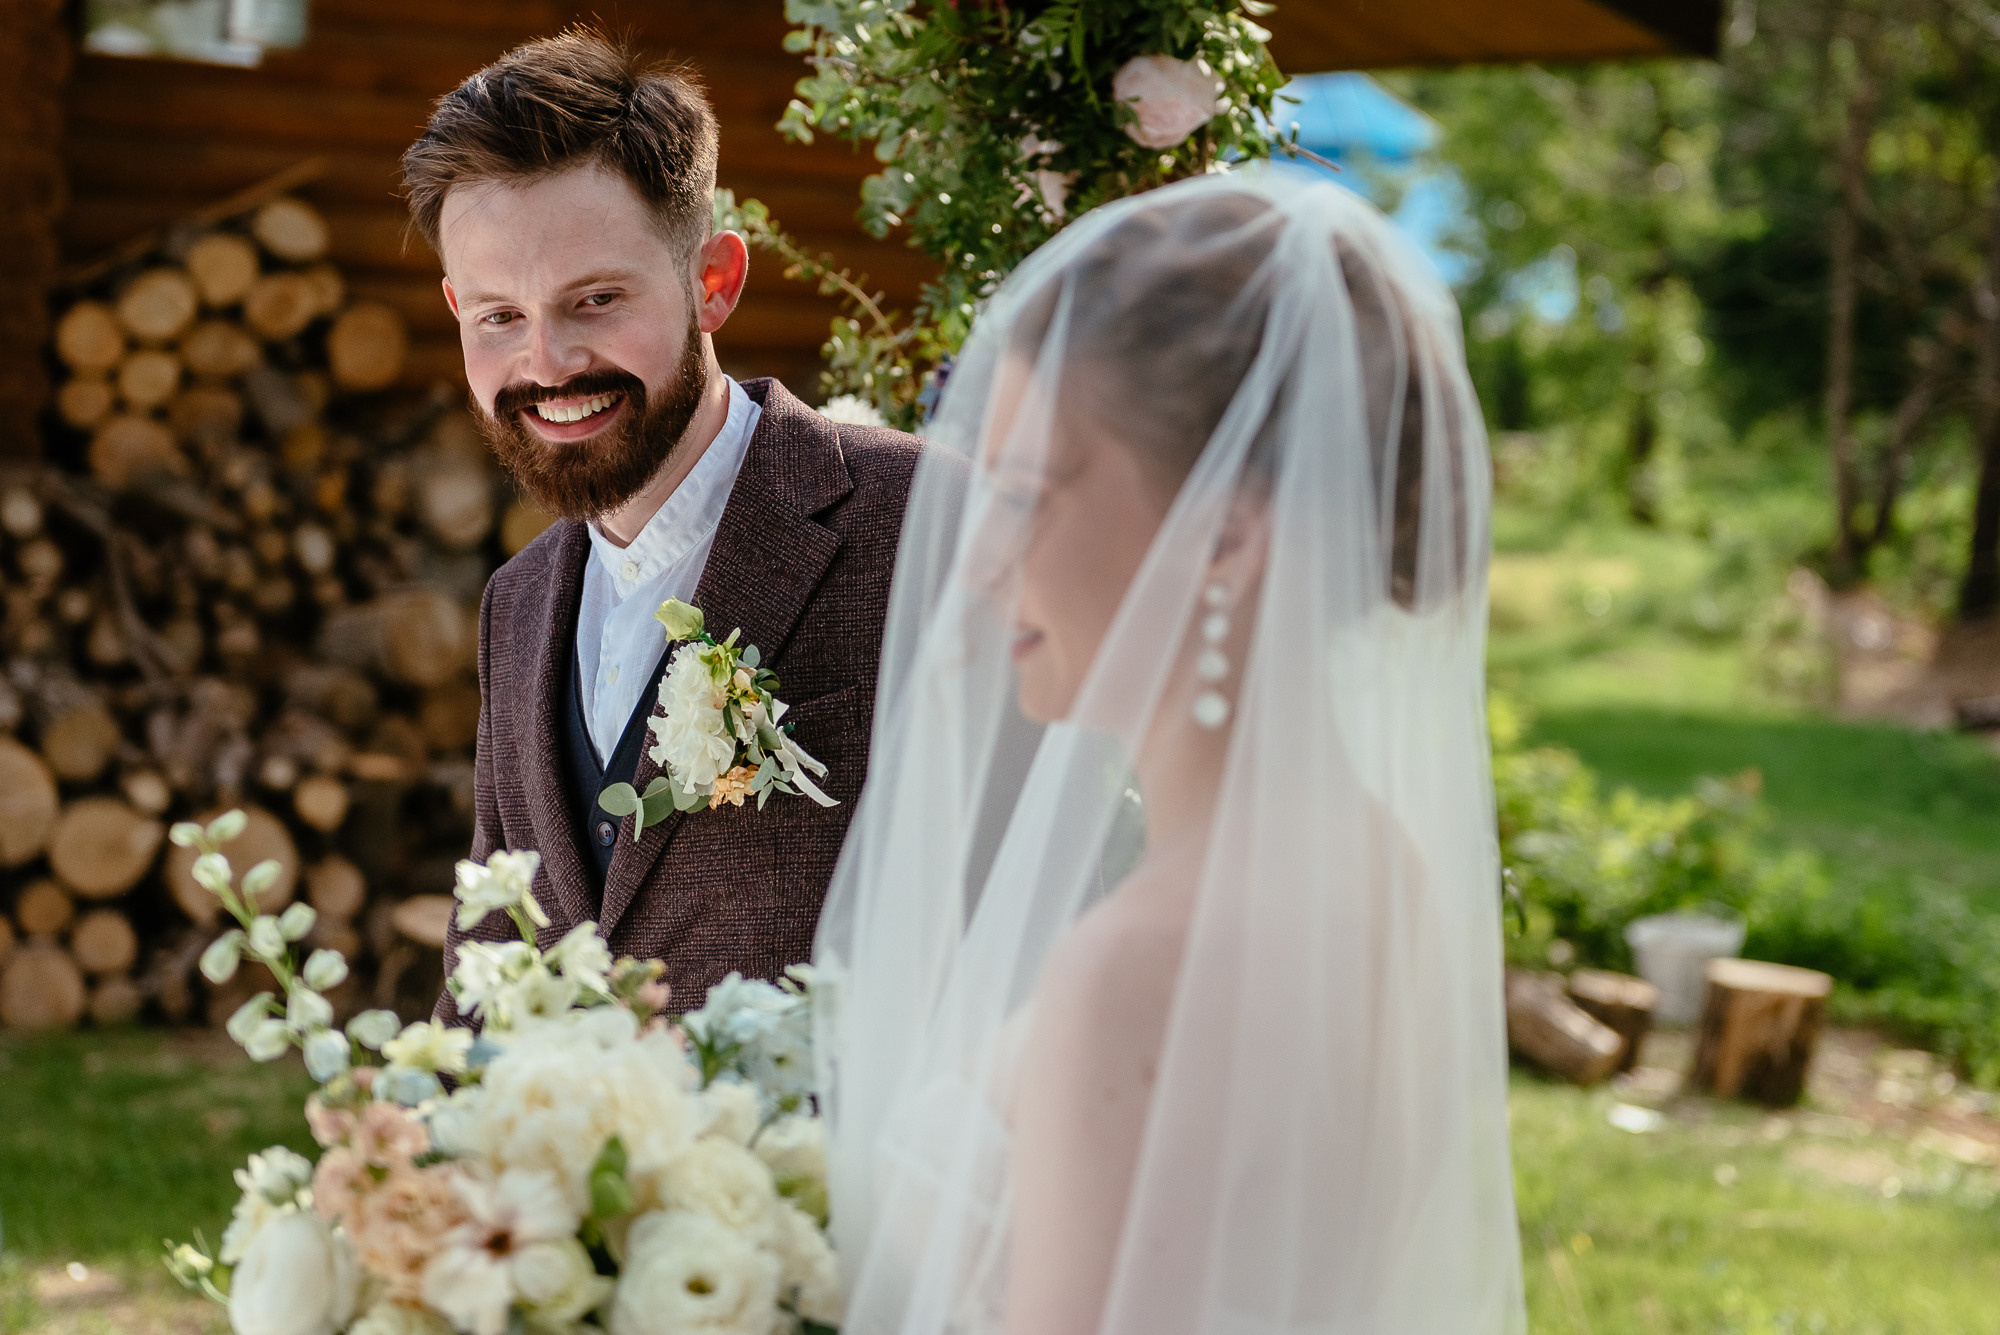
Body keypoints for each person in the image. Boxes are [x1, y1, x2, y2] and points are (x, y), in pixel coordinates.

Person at [815, 171, 1527, 1334]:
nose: (979, 558)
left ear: (1228, 533)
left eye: (1024, 493)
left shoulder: (1140, 967)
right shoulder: (1379, 866)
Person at [400, 29, 926, 1019]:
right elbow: (494, 955)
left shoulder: (921, 521)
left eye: (594, 300)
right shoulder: (514, 606)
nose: (547, 363)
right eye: (497, 317)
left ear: (712, 283)